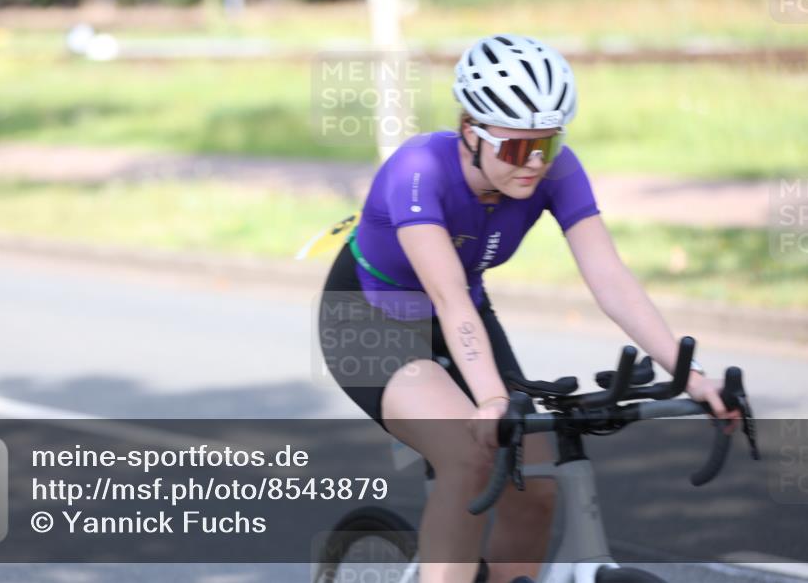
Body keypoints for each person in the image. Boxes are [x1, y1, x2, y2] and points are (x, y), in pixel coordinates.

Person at [316, 34, 740, 583]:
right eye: (517, 148)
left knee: (535, 483)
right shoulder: (417, 171)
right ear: (471, 132)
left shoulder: (554, 170)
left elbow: (610, 278)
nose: (535, 163)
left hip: (463, 309)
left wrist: (694, 378)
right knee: (470, 457)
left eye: (549, 143)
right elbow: (445, 297)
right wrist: (491, 400)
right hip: (371, 319)